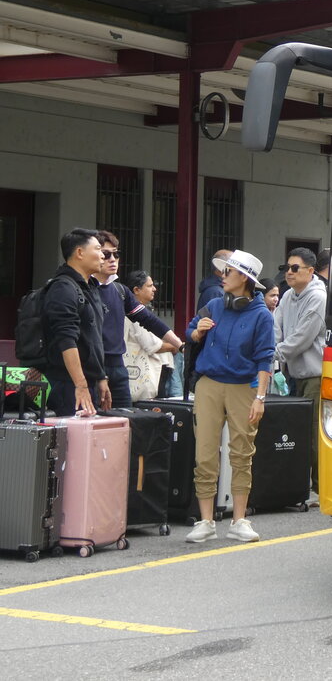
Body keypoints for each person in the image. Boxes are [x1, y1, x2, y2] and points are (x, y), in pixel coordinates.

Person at [185, 249, 275, 544]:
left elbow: (265, 359)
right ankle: (206, 521)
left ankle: (239, 520)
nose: (222, 277)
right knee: (205, 453)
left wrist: (260, 397)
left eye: (229, 272)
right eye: (224, 271)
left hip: (244, 388)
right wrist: (197, 332)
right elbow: (189, 331)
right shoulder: (213, 304)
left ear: (245, 279)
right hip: (209, 384)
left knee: (241, 452)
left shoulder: (262, 315)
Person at [93, 232, 182, 408]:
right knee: (94, 425)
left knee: (125, 423)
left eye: (116, 254)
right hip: (94, 368)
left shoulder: (120, 291)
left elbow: (148, 320)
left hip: (118, 367)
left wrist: (180, 345)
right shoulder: (83, 290)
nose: (113, 259)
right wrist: (99, 375)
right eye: (106, 254)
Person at [274, 247, 326, 503]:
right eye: (287, 268)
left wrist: (275, 354)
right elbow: (276, 327)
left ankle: (319, 488)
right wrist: (271, 351)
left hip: (315, 376)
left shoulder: (318, 297)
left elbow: (303, 337)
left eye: (295, 268)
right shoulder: (286, 296)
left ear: (310, 271)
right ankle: (298, 483)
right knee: (295, 432)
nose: (289, 273)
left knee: (313, 433)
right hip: (293, 374)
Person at [41, 228, 109, 417]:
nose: (103, 255)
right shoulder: (63, 288)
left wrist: (100, 377)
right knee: (71, 443)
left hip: (87, 382)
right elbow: (66, 339)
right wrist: (80, 385)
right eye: (97, 248)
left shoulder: (90, 287)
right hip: (67, 384)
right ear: (79, 253)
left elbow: (93, 339)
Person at [123, 269, 179, 401]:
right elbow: (151, 345)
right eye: (149, 286)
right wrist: (175, 346)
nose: (154, 289)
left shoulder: (142, 309)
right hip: (148, 370)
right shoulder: (135, 314)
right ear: (136, 290)